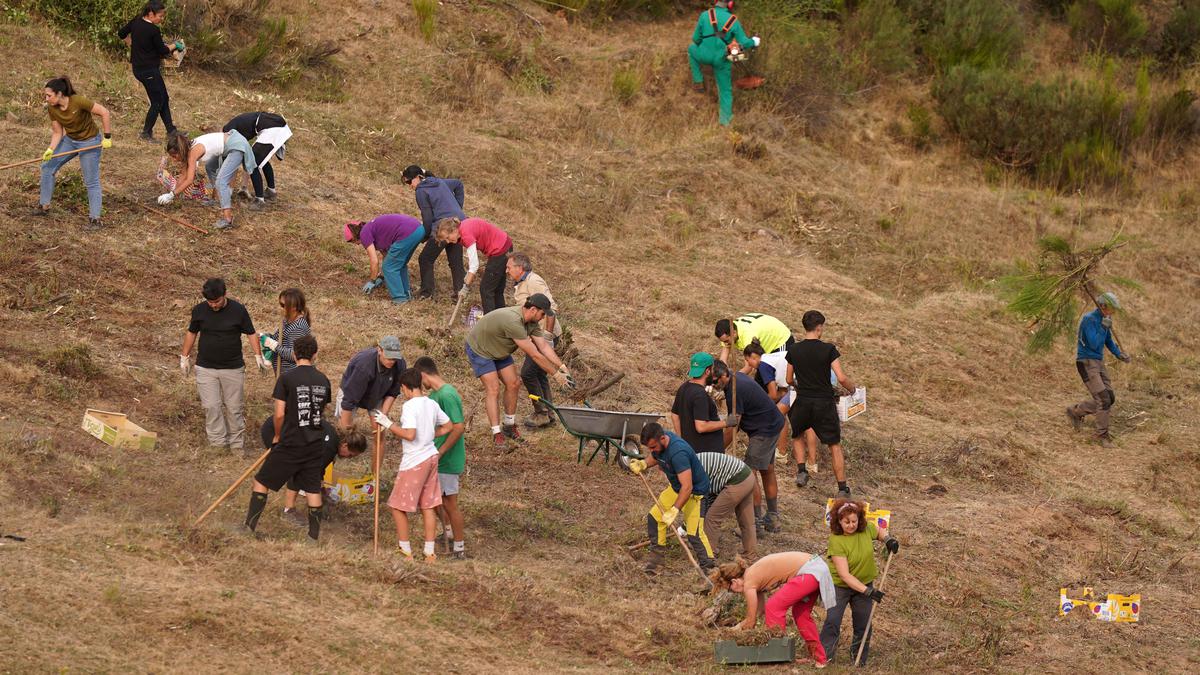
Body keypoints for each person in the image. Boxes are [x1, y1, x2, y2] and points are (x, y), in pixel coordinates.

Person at [243, 335, 332, 542]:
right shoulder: (324, 380)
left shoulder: (286, 378)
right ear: (315, 354)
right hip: (315, 443)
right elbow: (320, 410)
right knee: (312, 489)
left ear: (294, 353)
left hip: (291, 441)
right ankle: (313, 538)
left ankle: (249, 528)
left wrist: (277, 435)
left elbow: (279, 414)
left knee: (261, 481)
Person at [464, 295, 572, 450]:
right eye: (542, 314)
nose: (543, 317)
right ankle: (497, 433)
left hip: (499, 348)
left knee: (514, 384)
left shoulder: (532, 323)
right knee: (493, 388)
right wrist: (555, 375)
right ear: (533, 309)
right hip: (481, 349)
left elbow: (543, 346)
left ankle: (509, 426)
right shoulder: (513, 321)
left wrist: (561, 366)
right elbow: (535, 354)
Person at [372, 368, 454, 563]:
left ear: (406, 387)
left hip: (415, 461)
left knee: (397, 506)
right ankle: (429, 553)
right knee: (428, 505)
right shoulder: (431, 403)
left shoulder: (409, 406)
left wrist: (388, 424)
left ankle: (405, 550)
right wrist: (430, 435)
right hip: (431, 457)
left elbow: (410, 435)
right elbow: (449, 426)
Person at [179, 278, 267, 454]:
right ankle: (218, 444)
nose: (213, 305)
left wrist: (258, 355)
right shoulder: (199, 310)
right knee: (211, 406)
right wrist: (184, 356)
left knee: (234, 408)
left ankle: (236, 445)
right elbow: (192, 333)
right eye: (210, 302)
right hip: (205, 367)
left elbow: (251, 333)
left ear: (224, 294)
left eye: (217, 301)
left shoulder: (238, 310)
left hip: (232, 368)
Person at [711, 552, 837, 667]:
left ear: (734, 581)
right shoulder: (754, 577)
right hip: (817, 569)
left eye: (730, 590)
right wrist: (739, 627)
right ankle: (819, 659)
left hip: (809, 571)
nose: (733, 593)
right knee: (800, 614)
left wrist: (733, 632)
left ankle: (778, 655)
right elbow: (759, 612)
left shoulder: (749, 582)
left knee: (773, 606)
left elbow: (751, 621)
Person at [819, 499, 899, 667]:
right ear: (839, 521)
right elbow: (845, 575)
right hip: (840, 587)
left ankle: (859, 659)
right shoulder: (836, 540)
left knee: (863, 623)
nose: (851, 525)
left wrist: (888, 540)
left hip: (864, 583)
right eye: (847, 522)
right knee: (833, 620)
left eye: (854, 521)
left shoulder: (866, 528)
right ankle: (824, 657)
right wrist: (868, 592)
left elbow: (879, 531)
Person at [786, 311, 856, 498]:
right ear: (819, 327)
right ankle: (842, 488)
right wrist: (853, 390)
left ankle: (802, 471)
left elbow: (788, 379)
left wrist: (799, 386)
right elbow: (841, 378)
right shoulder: (828, 349)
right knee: (834, 445)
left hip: (802, 400)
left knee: (797, 434)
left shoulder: (794, 350)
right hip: (824, 403)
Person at [629, 422, 716, 574]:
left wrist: (675, 510)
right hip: (677, 488)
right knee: (655, 518)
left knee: (694, 533)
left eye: (653, 447)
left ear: (663, 438)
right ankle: (657, 562)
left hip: (695, 493)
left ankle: (709, 568)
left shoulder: (678, 453)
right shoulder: (660, 443)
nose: (651, 451)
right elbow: (657, 456)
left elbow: (687, 487)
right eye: (649, 448)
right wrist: (643, 463)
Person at [256, 413, 367, 527]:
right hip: (277, 430)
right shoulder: (329, 446)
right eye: (350, 455)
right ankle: (289, 510)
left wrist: (322, 491)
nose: (348, 458)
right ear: (345, 445)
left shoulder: (333, 442)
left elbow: (318, 469)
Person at [715, 359, 786, 533]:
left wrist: (718, 450)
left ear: (723, 375)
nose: (714, 385)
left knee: (748, 474)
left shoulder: (735, 390)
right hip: (772, 422)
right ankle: (772, 517)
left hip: (765, 429)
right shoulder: (735, 379)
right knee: (767, 469)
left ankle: (755, 523)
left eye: (715, 381)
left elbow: (733, 426)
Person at [33, 76, 112, 231]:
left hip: (90, 142)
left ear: (59, 93)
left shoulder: (78, 101)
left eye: (49, 95)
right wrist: (50, 150)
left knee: (91, 181)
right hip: (70, 140)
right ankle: (44, 206)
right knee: (47, 167)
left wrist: (107, 137)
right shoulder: (52, 108)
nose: (46, 99)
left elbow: (104, 112)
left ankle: (95, 219)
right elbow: (58, 132)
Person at [413, 357, 468, 559]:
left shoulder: (447, 394)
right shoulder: (435, 395)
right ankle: (449, 534)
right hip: (435, 457)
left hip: (447, 460)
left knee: (450, 504)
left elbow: (459, 427)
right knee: (435, 500)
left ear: (423, 374)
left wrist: (442, 451)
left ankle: (459, 549)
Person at [744, 341, 819, 486]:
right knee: (807, 423)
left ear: (754, 356)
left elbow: (773, 395)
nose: (749, 366)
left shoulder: (764, 364)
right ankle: (811, 463)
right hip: (808, 384)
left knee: (777, 414)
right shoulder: (772, 358)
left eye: (748, 361)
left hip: (799, 386)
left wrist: (758, 404)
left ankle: (781, 452)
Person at [157, 129, 256, 230]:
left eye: (174, 156)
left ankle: (228, 219)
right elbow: (183, 176)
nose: (174, 159)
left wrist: (172, 195)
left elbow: (189, 180)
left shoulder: (193, 152)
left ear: (181, 151)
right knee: (210, 167)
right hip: (228, 145)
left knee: (221, 182)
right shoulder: (187, 149)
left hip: (236, 145)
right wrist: (172, 193)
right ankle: (216, 199)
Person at [1066, 292, 1130, 448]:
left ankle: (1076, 412)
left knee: (1109, 398)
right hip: (1087, 362)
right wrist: (1103, 326)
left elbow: (1108, 341)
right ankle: (1101, 435)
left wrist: (1119, 354)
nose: (1113, 312)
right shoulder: (1089, 320)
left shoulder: (1105, 319)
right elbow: (1094, 344)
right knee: (1103, 399)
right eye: (1112, 308)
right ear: (1103, 306)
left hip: (1098, 362)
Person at [507, 252, 562, 428]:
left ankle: (541, 413)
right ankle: (549, 413)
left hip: (543, 336)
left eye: (509, 267)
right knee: (539, 374)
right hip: (535, 335)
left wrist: (547, 336)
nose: (507, 270)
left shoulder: (534, 282)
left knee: (528, 373)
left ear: (520, 268)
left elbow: (551, 309)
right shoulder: (522, 283)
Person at [118, 1, 183, 142]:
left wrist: (131, 44)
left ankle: (171, 131)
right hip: (148, 71)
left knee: (164, 97)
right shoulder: (153, 30)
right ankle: (146, 133)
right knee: (157, 101)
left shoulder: (136, 21)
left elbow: (121, 33)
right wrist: (175, 45)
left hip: (141, 69)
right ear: (151, 14)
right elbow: (162, 50)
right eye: (160, 16)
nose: (162, 19)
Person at [688, 0, 759, 126]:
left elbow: (695, 39)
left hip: (704, 55)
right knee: (725, 90)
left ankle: (698, 80)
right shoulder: (733, 20)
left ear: (716, 1)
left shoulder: (705, 15)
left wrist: (705, 46)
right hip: (721, 60)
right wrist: (754, 41)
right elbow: (744, 42)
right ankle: (725, 120)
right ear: (730, 4)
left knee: (691, 49)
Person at [401, 165, 467, 301]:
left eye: (409, 181)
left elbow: (427, 218)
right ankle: (460, 294)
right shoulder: (438, 181)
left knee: (425, 259)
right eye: (406, 183)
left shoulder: (421, 190)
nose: (409, 185)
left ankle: (426, 293)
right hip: (458, 224)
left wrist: (424, 236)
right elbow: (458, 184)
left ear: (418, 177)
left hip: (443, 228)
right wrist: (457, 209)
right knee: (456, 261)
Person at [434, 217, 514, 313]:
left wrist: (466, 286)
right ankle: (501, 317)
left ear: (454, 230)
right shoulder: (463, 228)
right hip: (505, 244)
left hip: (500, 250)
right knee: (496, 289)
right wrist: (468, 275)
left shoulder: (466, 234)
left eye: (447, 237)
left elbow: (474, 264)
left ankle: (490, 320)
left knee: (486, 289)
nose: (447, 241)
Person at [343, 215, 425, 304]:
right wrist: (381, 277)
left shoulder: (364, 234)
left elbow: (374, 261)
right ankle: (406, 294)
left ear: (354, 235)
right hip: (418, 229)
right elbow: (387, 256)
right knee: (399, 265)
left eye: (352, 241)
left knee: (389, 267)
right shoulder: (373, 231)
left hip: (407, 232)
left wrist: (372, 281)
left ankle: (400, 299)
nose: (356, 244)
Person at [335, 337, 406, 431]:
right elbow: (349, 400)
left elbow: (393, 392)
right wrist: (346, 430)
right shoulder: (363, 366)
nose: (392, 361)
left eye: (394, 358)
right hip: (350, 392)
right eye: (389, 357)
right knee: (344, 428)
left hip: (377, 394)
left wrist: (383, 416)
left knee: (379, 429)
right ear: (379, 350)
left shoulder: (400, 364)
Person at [671, 352, 737, 454]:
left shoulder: (684, 387)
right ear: (707, 371)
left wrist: (682, 441)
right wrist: (726, 423)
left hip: (692, 451)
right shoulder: (700, 395)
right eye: (713, 370)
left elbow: (675, 415)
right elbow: (701, 427)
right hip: (706, 454)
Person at [222, 111, 291, 207]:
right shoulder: (233, 129)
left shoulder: (228, 132)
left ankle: (259, 201)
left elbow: (234, 162)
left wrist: (228, 190)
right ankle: (271, 192)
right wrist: (244, 187)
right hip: (278, 126)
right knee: (261, 159)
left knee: (253, 162)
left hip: (272, 129)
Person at [695, 450, 757, 557]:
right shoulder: (692, 462)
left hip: (737, 479)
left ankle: (709, 554)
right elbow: (711, 493)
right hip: (747, 475)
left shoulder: (690, 471)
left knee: (712, 518)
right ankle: (750, 555)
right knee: (747, 521)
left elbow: (704, 496)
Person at [259, 288, 312, 375]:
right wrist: (268, 337)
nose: (280, 308)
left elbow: (295, 355)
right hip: (284, 374)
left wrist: (273, 345)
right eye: (280, 304)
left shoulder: (298, 327)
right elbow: (281, 340)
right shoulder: (286, 321)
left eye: (283, 305)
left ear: (294, 307)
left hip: (293, 375)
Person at [715, 313, 793, 365]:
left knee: (778, 373)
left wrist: (736, 378)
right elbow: (723, 359)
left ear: (734, 333)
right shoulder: (729, 330)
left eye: (726, 341)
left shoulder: (748, 337)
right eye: (723, 341)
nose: (725, 343)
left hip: (780, 340)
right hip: (765, 340)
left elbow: (750, 366)